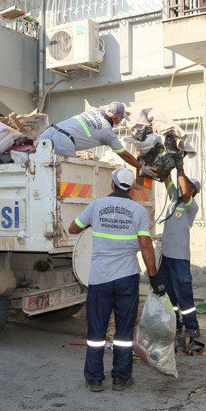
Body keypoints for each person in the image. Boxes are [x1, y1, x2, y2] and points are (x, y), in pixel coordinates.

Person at [68, 168, 160, 392]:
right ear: (132, 188)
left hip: (100, 278)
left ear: (112, 184)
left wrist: (94, 223)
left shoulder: (96, 206)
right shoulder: (138, 211)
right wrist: (154, 277)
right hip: (127, 278)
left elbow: (73, 228)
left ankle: (94, 379)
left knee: (96, 331)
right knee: (124, 331)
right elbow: (146, 245)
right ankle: (121, 378)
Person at [39, 101, 152, 176]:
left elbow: (113, 111)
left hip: (48, 133)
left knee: (41, 169)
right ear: (115, 117)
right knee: (73, 175)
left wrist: (133, 116)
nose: (121, 121)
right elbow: (125, 155)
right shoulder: (107, 132)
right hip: (63, 142)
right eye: (121, 118)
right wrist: (142, 167)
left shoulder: (96, 111)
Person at [158, 156, 201, 351]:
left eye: (189, 185)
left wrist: (180, 168)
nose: (185, 187)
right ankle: (176, 326)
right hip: (166, 258)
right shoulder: (174, 200)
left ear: (193, 191)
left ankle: (192, 327)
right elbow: (167, 180)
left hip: (180, 259)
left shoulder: (191, 206)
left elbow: (183, 191)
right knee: (169, 296)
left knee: (185, 295)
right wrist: (164, 160)